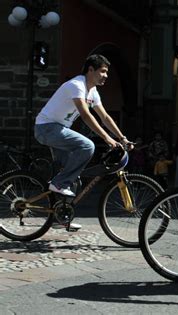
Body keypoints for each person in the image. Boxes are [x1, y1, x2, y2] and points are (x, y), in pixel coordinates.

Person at [34, 54, 132, 230]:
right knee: (87, 146)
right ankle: (58, 183)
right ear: (90, 70)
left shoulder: (92, 91)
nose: (106, 76)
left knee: (74, 178)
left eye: (107, 72)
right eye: (102, 71)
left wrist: (122, 137)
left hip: (58, 130)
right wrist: (107, 138)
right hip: (47, 128)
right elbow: (86, 115)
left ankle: (59, 216)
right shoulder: (76, 85)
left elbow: (105, 117)